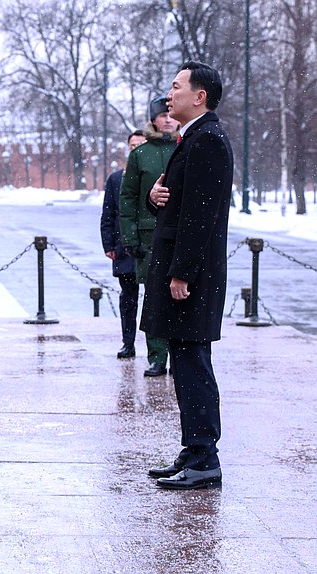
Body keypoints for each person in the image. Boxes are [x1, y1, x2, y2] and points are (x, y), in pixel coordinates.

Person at [142, 61, 233, 490]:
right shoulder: (193, 137)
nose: (169, 94)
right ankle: (194, 450)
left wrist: (182, 273)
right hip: (188, 272)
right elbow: (180, 204)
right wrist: (154, 196)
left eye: (176, 87)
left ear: (200, 96)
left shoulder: (208, 140)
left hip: (192, 276)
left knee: (193, 363)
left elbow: (201, 216)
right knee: (186, 360)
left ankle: (204, 458)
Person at [119, 96, 179, 377]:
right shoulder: (141, 155)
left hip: (180, 234)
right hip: (149, 236)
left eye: (170, 113)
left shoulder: (186, 146)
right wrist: (130, 237)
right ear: (153, 119)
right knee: (154, 296)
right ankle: (157, 355)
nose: (167, 119)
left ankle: (179, 352)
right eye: (161, 114)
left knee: (181, 293)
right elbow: (128, 198)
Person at [100, 130, 147, 359]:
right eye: (132, 145)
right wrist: (108, 244)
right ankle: (128, 342)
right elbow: (108, 213)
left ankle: (157, 350)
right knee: (128, 298)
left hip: (148, 246)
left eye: (141, 144)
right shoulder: (117, 179)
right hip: (124, 246)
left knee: (153, 298)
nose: (136, 148)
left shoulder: (153, 174)